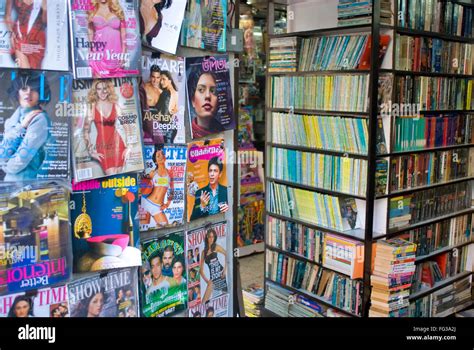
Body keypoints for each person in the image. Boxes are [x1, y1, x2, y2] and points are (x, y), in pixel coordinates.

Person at [0, 72, 51, 181]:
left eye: (34, 89)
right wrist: (22, 127)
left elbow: (17, 164)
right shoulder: (12, 120)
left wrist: (4, 166)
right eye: (24, 88)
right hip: (8, 184)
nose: (28, 93)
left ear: (40, 94)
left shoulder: (40, 119)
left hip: (27, 185)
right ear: (17, 92)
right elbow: (1, 156)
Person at [83, 79, 129, 176]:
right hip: (103, 147)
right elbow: (85, 130)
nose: (102, 92)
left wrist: (129, 146)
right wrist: (91, 152)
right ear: (95, 91)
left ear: (109, 89)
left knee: (119, 176)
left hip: (118, 144)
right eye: (99, 89)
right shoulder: (92, 107)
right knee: (112, 176)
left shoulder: (115, 105)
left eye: (105, 88)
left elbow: (127, 126)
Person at [87, 0, 127, 76]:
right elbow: (90, 35)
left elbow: (124, 36)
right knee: (98, 83)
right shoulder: (92, 11)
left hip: (115, 56)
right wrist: (90, 54)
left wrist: (123, 54)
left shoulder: (118, 10)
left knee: (116, 84)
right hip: (98, 56)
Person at [5, 0, 47, 69]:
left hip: (37, 37)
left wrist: (45, 9)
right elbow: (7, 17)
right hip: (20, 35)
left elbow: (45, 21)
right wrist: (11, 35)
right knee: (25, 71)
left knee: (36, 70)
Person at [140, 145, 174, 227]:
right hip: (146, 203)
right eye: (158, 156)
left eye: (162, 154)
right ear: (155, 161)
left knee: (166, 227)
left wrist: (167, 204)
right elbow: (142, 185)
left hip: (158, 207)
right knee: (144, 229)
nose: (161, 156)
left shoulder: (170, 173)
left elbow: (172, 190)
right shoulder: (152, 173)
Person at [188, 71, 224, 138]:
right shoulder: (186, 133)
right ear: (193, 100)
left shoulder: (226, 134)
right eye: (201, 89)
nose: (207, 96)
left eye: (213, 91)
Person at [200, 228, 227, 303]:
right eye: (210, 237)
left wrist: (225, 270)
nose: (211, 239)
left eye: (213, 237)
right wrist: (207, 281)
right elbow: (201, 271)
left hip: (220, 274)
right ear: (207, 238)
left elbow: (226, 254)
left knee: (224, 296)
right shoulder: (203, 252)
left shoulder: (216, 247)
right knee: (204, 301)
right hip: (213, 277)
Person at [155, 70, 179, 143]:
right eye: (160, 80)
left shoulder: (165, 93)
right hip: (173, 127)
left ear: (170, 80)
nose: (161, 82)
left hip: (166, 127)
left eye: (164, 79)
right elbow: (174, 109)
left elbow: (163, 113)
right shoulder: (175, 92)